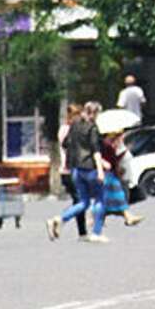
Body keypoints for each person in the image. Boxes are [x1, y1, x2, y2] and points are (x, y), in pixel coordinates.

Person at [51, 103, 106, 243]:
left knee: (83, 202)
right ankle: (96, 233)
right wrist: (100, 169)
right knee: (100, 198)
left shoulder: (74, 126)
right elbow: (95, 150)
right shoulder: (92, 128)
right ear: (93, 113)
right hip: (90, 168)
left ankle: (60, 219)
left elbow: (65, 144)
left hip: (76, 169)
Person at [96, 123, 145, 228]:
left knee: (112, 199)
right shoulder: (106, 146)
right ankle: (127, 217)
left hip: (115, 174)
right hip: (110, 174)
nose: (121, 136)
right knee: (118, 198)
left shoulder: (113, 145)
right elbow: (112, 159)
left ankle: (99, 217)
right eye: (118, 134)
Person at [55, 102, 88, 239]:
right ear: (71, 116)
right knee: (80, 200)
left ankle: (82, 231)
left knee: (79, 200)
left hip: (75, 169)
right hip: (68, 170)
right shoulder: (66, 130)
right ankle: (61, 220)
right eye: (77, 115)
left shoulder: (74, 128)